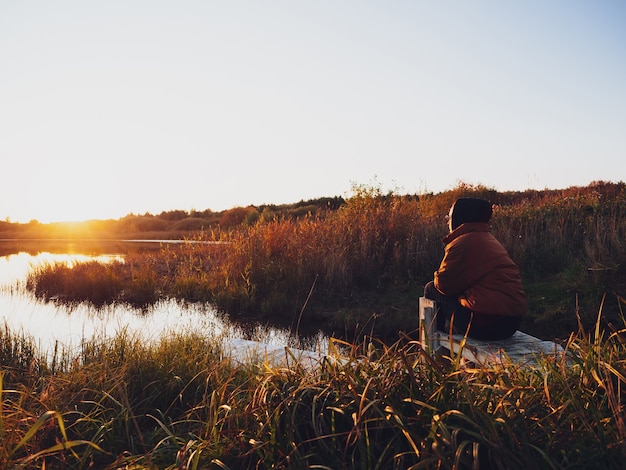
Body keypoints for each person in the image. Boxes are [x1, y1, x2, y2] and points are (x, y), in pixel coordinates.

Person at [424, 197, 526, 340]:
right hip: (511, 324)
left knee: (431, 288)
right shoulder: (487, 238)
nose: (447, 221)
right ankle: (459, 353)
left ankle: (435, 348)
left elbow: (444, 285)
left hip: (486, 324)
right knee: (460, 296)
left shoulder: (463, 242)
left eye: (450, 217)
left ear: (460, 218)